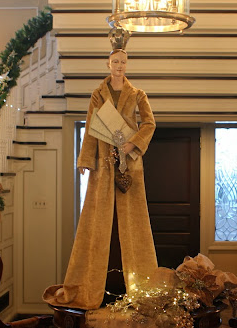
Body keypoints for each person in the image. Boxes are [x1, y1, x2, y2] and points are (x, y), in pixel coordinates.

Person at [43, 38, 158, 310]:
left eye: (123, 62)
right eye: (115, 61)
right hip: (104, 163)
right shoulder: (98, 94)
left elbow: (149, 124)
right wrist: (85, 159)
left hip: (129, 162)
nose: (119, 66)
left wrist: (133, 143)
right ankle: (90, 285)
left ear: (127, 65)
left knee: (135, 220)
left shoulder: (138, 94)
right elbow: (91, 128)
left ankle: (141, 288)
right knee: (96, 219)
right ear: (108, 64)